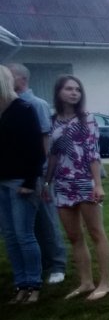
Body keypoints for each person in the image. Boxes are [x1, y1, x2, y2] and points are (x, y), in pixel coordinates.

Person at [44, 75, 109, 301]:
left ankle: (105, 283)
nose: (74, 93)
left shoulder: (86, 119)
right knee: (74, 236)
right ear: (59, 92)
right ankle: (85, 282)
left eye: (77, 89)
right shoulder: (52, 121)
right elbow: (53, 155)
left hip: (85, 182)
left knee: (96, 233)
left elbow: (93, 153)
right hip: (62, 184)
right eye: (69, 89)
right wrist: (47, 182)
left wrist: (98, 184)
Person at [8, 63, 68, 284]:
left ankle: (57, 264)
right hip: (16, 175)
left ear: (21, 79)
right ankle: (40, 262)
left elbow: (45, 141)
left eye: (9, 76)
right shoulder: (9, 106)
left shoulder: (37, 104)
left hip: (38, 173)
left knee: (46, 220)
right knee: (26, 224)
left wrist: (42, 175)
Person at [0, 65, 46, 304]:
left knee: (24, 235)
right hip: (2, 182)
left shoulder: (23, 109)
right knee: (10, 237)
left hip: (21, 182)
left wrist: (29, 181)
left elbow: (36, 150)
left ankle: (34, 284)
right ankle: (21, 284)